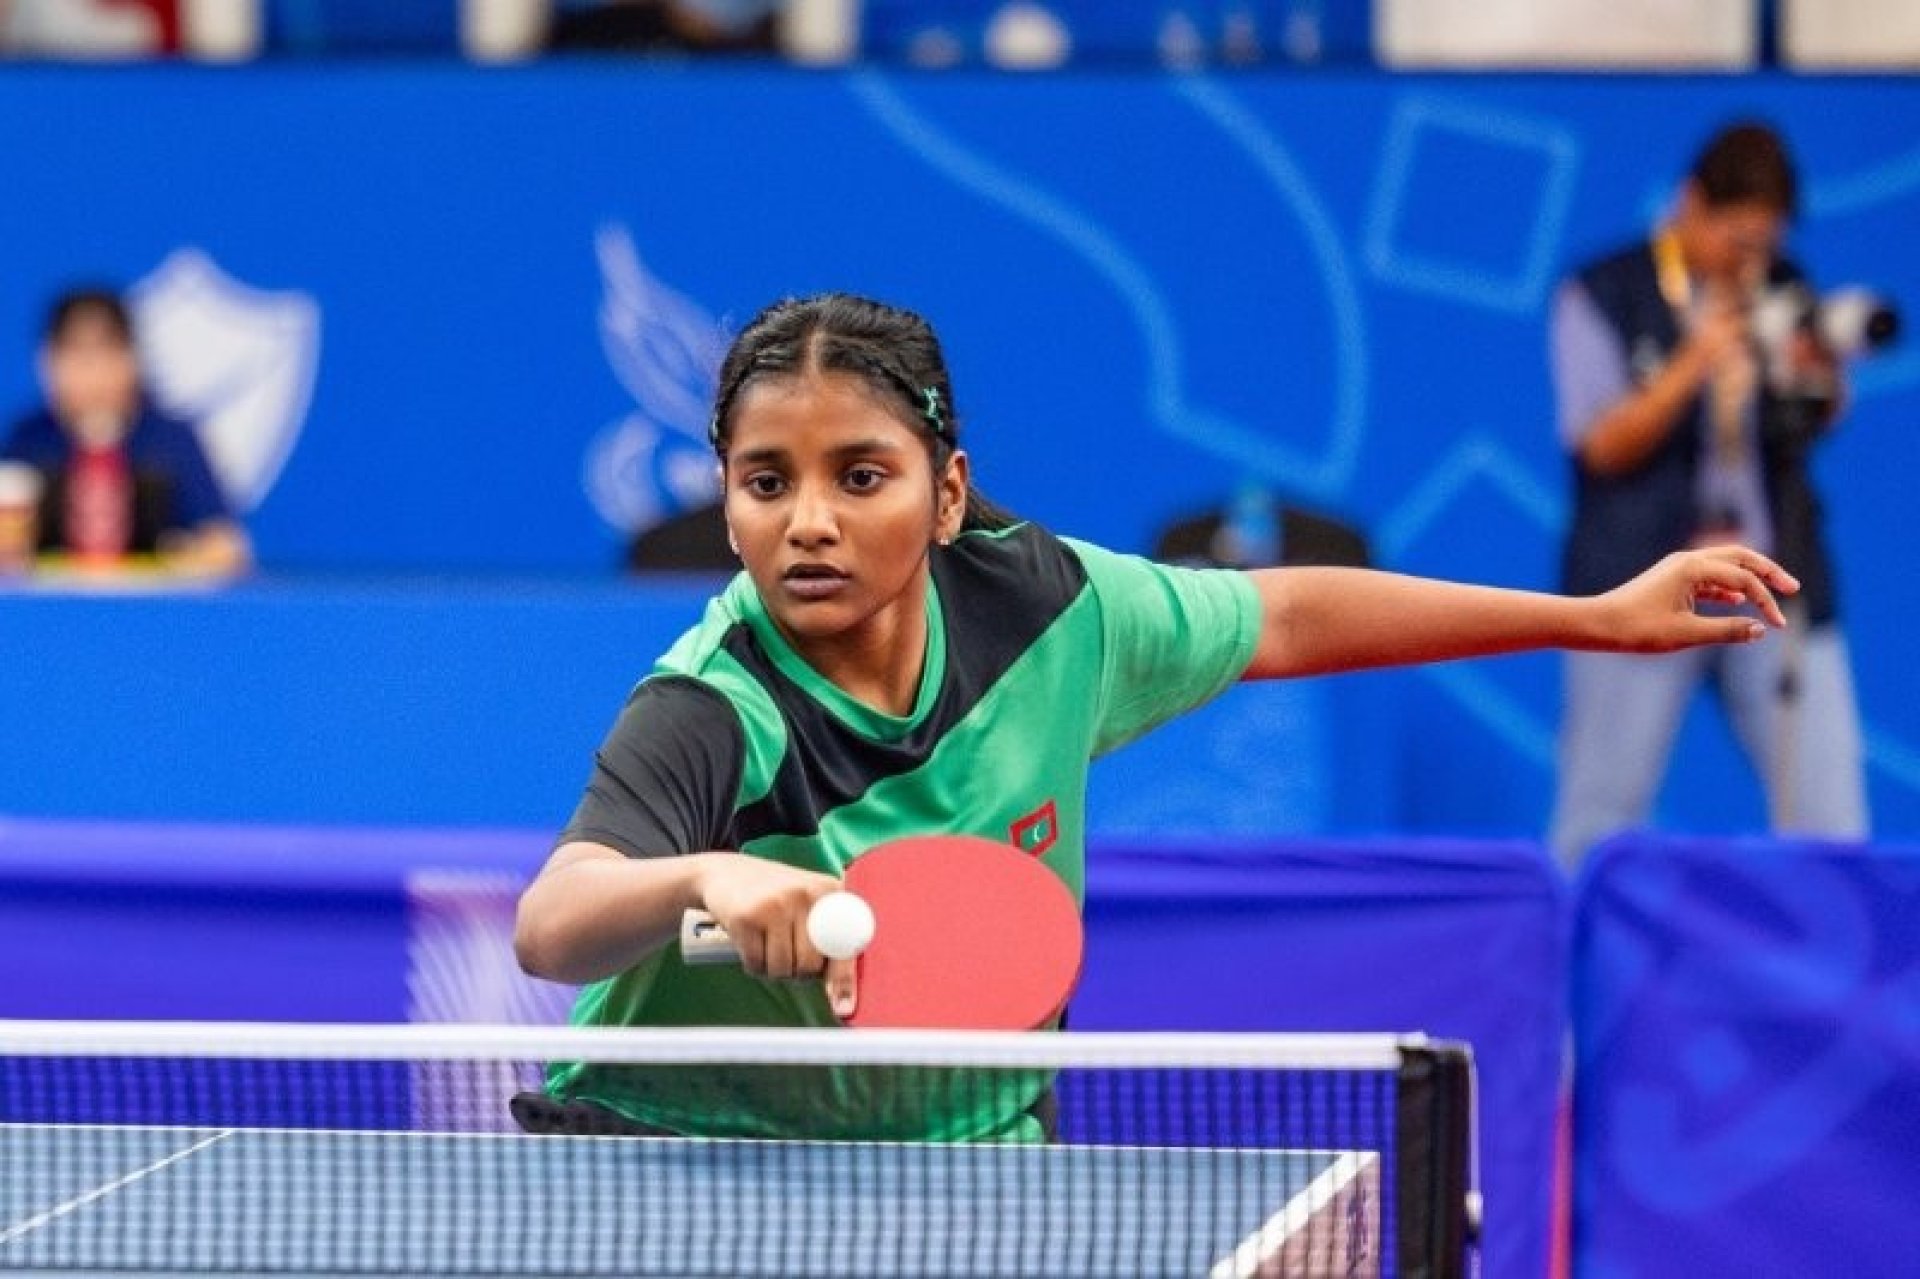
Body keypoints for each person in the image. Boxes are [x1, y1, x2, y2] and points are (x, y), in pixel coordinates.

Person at [514, 291, 1797, 1143]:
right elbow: (554, 923)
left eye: (861, 476)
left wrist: (1591, 616)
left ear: (947, 494)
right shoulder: (716, 701)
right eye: (765, 482)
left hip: (959, 1157)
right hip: (676, 1150)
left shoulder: (1051, 610)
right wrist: (708, 876)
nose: (809, 521)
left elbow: (1282, 616)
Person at [1547, 121, 1868, 867]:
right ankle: (1574, 944)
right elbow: (1599, 446)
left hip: (1773, 579)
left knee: (1831, 818)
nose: (1751, 258)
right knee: (1598, 815)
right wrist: (1695, 363)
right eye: (1739, 238)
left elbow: (1818, 417)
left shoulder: (1783, 289)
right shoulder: (1603, 292)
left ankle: (1836, 947)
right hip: (1639, 582)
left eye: (1766, 240)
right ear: (1692, 203)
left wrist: (1814, 376)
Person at [1, 288, 251, 577]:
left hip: (156, 602)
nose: (93, 372)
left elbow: (225, 544)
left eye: (106, 353)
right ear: (48, 363)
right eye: (77, 355)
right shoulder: (28, 439)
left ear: (133, 359)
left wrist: (188, 558)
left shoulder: (172, 439)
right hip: (50, 603)